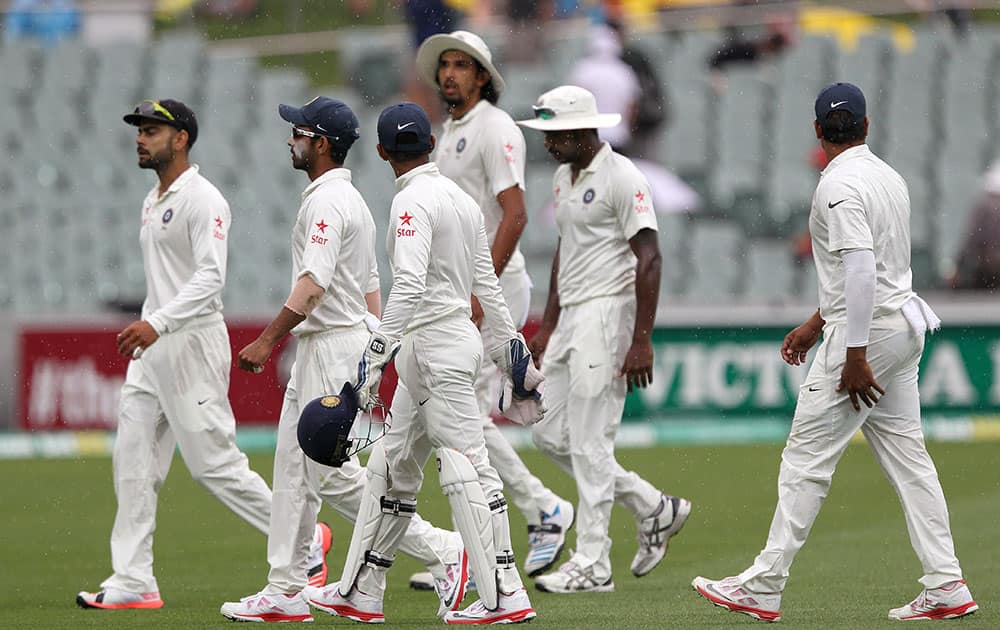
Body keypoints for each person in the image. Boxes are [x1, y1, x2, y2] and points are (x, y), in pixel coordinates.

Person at [692, 83, 978, 623]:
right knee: (909, 460)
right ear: (867, 127)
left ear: (819, 131)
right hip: (903, 324)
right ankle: (945, 583)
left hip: (868, 334)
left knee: (806, 459)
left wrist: (853, 351)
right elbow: (877, 268)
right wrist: (816, 321)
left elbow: (863, 268)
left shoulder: (837, 186)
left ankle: (765, 584)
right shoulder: (887, 176)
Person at [218, 97, 466, 622]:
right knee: (292, 469)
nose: (291, 139)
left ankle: (445, 550)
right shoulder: (346, 199)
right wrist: (374, 340)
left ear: (322, 143)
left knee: (329, 475)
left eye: (299, 132)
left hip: (331, 346)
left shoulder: (328, 203)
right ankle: (285, 588)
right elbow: (371, 284)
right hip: (334, 344)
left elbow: (313, 286)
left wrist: (267, 342)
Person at [77, 99, 329, 611]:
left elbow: (211, 276)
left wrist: (158, 322)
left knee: (214, 465)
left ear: (182, 138)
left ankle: (306, 543)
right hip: (155, 347)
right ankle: (133, 579)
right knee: (133, 460)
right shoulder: (154, 199)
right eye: (139, 131)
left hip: (189, 339)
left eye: (152, 131)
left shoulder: (204, 198)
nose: (141, 139)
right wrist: (153, 322)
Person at [303, 102, 539, 624]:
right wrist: (510, 352)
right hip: (444, 345)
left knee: (470, 468)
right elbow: (488, 286)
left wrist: (375, 353)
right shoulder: (460, 200)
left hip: (431, 346)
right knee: (390, 468)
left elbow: (408, 285)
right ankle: (360, 589)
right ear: (431, 145)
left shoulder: (409, 204)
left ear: (383, 152)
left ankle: (503, 594)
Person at [409, 29, 575, 584]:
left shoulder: (496, 128)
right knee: (455, 418)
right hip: (462, 294)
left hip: (491, 291)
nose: (450, 73)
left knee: (458, 417)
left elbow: (516, 214)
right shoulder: (450, 130)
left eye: (462, 65)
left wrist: (481, 293)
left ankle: (536, 513)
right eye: (446, 65)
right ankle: (485, 537)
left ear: (483, 77)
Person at [517, 85, 692, 593]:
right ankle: (653, 507)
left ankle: (593, 563)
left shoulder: (622, 176)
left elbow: (650, 257)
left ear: (582, 129)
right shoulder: (562, 176)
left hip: (610, 316)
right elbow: (563, 252)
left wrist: (641, 340)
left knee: (593, 441)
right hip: (571, 318)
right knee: (548, 432)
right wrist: (547, 326)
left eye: (555, 134)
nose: (548, 144)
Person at [950, 159, 1000, 290]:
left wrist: (959, 265)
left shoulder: (985, 206)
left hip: (988, 269)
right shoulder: (987, 207)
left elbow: (972, 238)